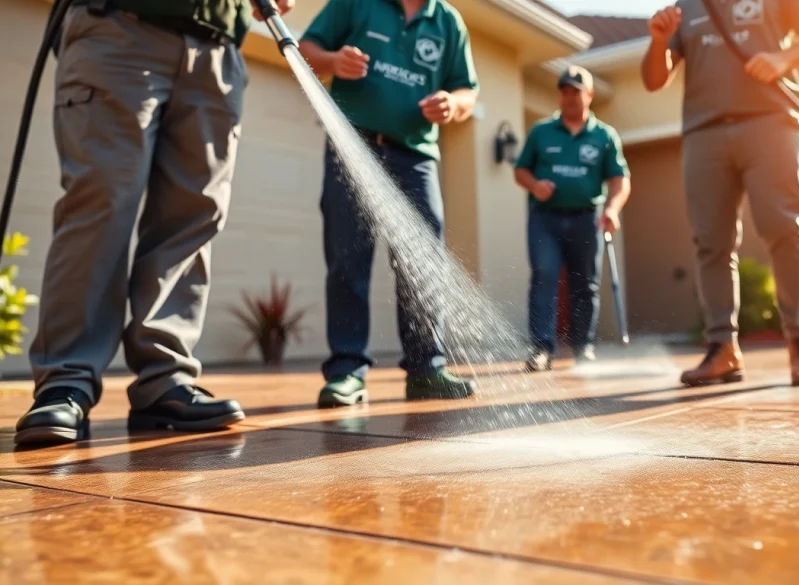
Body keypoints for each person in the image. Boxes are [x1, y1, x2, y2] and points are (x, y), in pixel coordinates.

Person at [13, 0, 296, 447]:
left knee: (192, 217)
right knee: (100, 204)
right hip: (122, 26)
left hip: (217, 48)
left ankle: (164, 379)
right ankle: (65, 380)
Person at [640, 0, 799, 387]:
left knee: (784, 228)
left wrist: (784, 58)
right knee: (710, 242)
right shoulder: (686, 7)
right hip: (705, 131)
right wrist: (659, 42)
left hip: (770, 120)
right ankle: (722, 349)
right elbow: (653, 80)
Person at [297, 0, 480, 407]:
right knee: (348, 260)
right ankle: (347, 372)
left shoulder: (448, 22)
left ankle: (427, 369)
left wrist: (453, 104)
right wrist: (332, 60)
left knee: (423, 263)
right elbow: (305, 47)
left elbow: (468, 90)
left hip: (415, 156)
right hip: (353, 144)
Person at [514, 66, 631, 372]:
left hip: (586, 219)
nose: (569, 97)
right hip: (545, 219)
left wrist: (612, 209)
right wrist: (535, 185)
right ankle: (541, 348)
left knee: (586, 285)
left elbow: (619, 180)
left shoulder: (604, 136)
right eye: (564, 91)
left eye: (576, 92)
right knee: (544, 276)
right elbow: (520, 170)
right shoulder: (541, 131)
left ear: (589, 96)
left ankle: (583, 347)